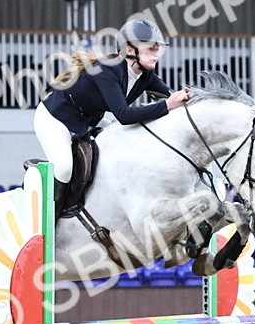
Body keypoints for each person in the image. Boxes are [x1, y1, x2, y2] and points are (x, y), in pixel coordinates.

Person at [34, 18, 193, 209]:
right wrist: (168, 104)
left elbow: (171, 97)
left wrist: (190, 99)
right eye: (151, 48)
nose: (156, 53)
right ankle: (49, 222)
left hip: (89, 120)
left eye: (158, 48)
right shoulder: (107, 70)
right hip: (55, 119)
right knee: (64, 168)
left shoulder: (146, 75)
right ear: (130, 50)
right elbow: (124, 116)